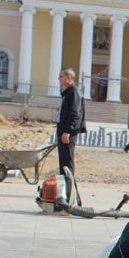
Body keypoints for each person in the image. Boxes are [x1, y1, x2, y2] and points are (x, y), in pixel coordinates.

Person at [56, 67, 86, 200]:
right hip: (63, 131)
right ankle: (66, 191)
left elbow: (75, 114)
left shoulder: (73, 92)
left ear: (69, 78)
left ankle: (72, 194)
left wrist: (67, 131)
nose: (59, 79)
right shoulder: (68, 92)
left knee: (67, 164)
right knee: (63, 163)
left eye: (61, 76)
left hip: (68, 133)